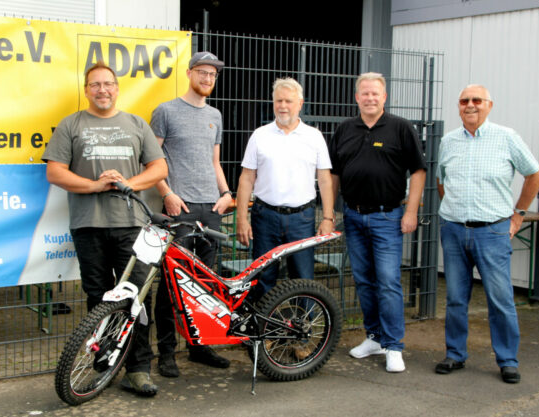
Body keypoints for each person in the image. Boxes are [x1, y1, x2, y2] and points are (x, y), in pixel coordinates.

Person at [42, 62, 168, 396]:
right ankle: (103, 362)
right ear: (86, 90)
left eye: (108, 84)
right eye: (95, 84)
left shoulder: (136, 124)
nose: (102, 90)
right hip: (88, 226)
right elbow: (55, 172)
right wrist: (95, 186)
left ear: (116, 88)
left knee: (136, 299)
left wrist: (128, 184)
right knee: (97, 297)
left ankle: (138, 369)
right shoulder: (71, 125)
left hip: (131, 226)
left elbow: (159, 168)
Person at [435, 84, 539, 384]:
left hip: (492, 232)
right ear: (458, 106)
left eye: (476, 100)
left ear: (489, 105)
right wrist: (452, 208)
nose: (470, 105)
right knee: (456, 298)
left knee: (500, 298)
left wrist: (518, 213)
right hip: (454, 230)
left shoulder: (506, 137)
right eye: (464, 101)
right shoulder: (448, 141)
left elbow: (535, 174)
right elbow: (441, 181)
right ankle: (455, 354)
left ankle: (507, 360)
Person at [328, 72, 427, 373]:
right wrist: (330, 214)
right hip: (354, 216)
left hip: (388, 217)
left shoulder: (400, 128)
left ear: (385, 97)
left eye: (376, 94)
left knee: (388, 282)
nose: (370, 98)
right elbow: (333, 175)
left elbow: (419, 171)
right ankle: (374, 338)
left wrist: (410, 212)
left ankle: (394, 346)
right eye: (365, 93)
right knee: (364, 281)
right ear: (356, 97)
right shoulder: (344, 129)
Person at [150, 51, 232, 378]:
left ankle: (199, 347)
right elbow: (152, 162)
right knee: (172, 284)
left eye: (212, 74)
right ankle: (166, 352)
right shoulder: (165, 111)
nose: (208, 79)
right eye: (202, 72)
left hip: (211, 209)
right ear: (189, 73)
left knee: (204, 284)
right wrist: (167, 194)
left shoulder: (215, 114)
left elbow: (214, 162)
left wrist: (226, 194)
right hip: (178, 210)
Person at [235, 77, 335, 302]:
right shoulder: (259, 135)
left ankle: (302, 331)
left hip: (302, 218)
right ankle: (258, 330)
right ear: (273, 103)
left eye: (288, 101)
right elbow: (246, 178)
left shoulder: (314, 136)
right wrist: (242, 218)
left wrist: (328, 217)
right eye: (278, 100)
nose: (283, 106)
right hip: (265, 217)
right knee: (262, 277)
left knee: (302, 279)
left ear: (300, 103)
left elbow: (325, 179)